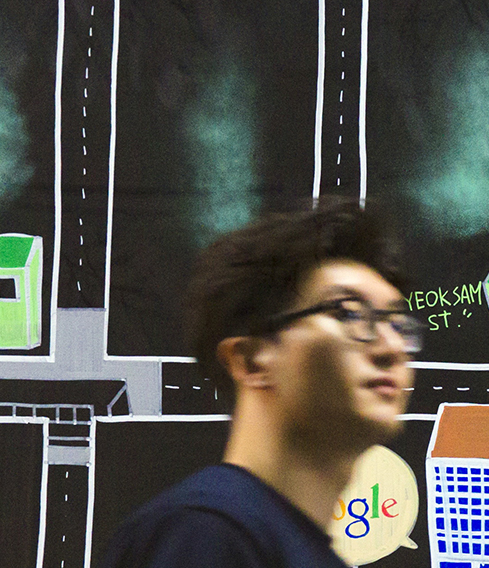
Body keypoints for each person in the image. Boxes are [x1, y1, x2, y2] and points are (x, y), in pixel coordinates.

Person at [101, 198, 419, 568]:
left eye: (397, 324)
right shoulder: (206, 531)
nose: (392, 347)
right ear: (252, 361)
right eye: (348, 313)